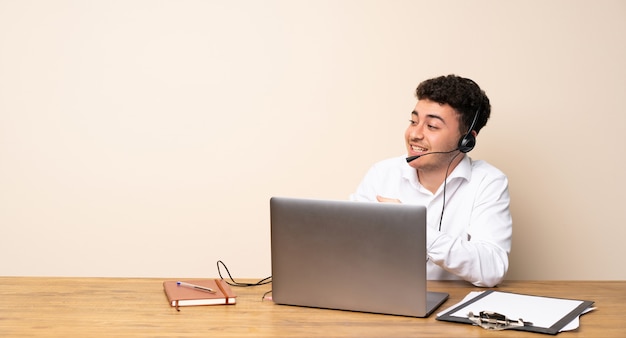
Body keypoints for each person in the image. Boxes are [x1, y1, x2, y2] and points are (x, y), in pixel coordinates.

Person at [350, 75, 512, 287]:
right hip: (382, 297)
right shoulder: (382, 173)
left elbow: (492, 268)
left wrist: (414, 228)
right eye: (413, 121)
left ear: (466, 140)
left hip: (452, 306)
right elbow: (348, 246)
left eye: (432, 126)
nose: (414, 134)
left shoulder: (488, 182)